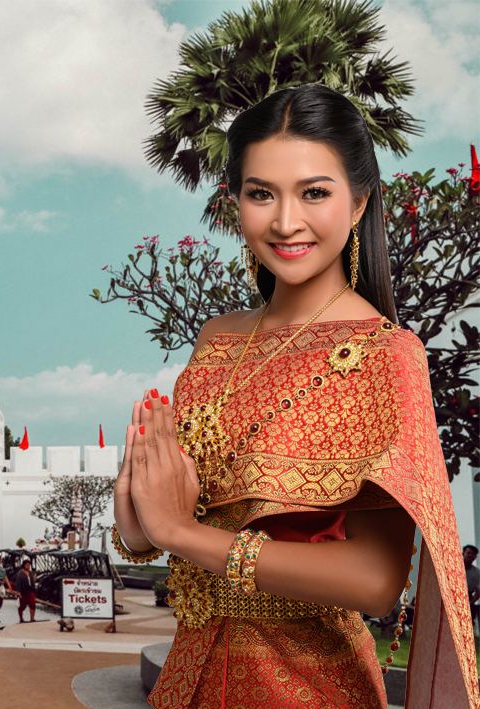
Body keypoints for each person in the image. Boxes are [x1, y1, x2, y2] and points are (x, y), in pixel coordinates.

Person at [116, 84, 477, 707]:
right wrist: (138, 510)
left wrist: (180, 532)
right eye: (261, 194)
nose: (286, 222)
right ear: (235, 203)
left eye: (315, 192)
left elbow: (376, 580)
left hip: (308, 686)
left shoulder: (383, 356)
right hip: (189, 679)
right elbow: (147, 532)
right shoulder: (216, 341)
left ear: (359, 201)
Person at [10, 557, 37, 623]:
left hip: (30, 590)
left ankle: (32, 618)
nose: (28, 566)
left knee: (32, 604)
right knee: (22, 606)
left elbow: (32, 582)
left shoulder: (30, 573)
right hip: (23, 591)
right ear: (24, 565)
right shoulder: (20, 574)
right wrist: (18, 592)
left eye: (29, 565)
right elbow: (18, 583)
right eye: (27, 565)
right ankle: (21, 618)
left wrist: (35, 591)